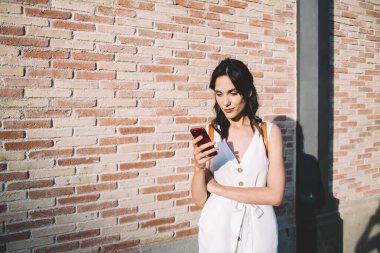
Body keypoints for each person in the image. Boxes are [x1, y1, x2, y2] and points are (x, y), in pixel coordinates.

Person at [191, 58, 285, 253]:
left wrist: (218, 188)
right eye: (219, 94)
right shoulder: (210, 133)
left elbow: (275, 195)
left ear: (248, 91)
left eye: (233, 93)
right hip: (218, 233)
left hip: (259, 233)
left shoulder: (269, 133)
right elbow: (200, 201)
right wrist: (199, 169)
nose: (225, 102)